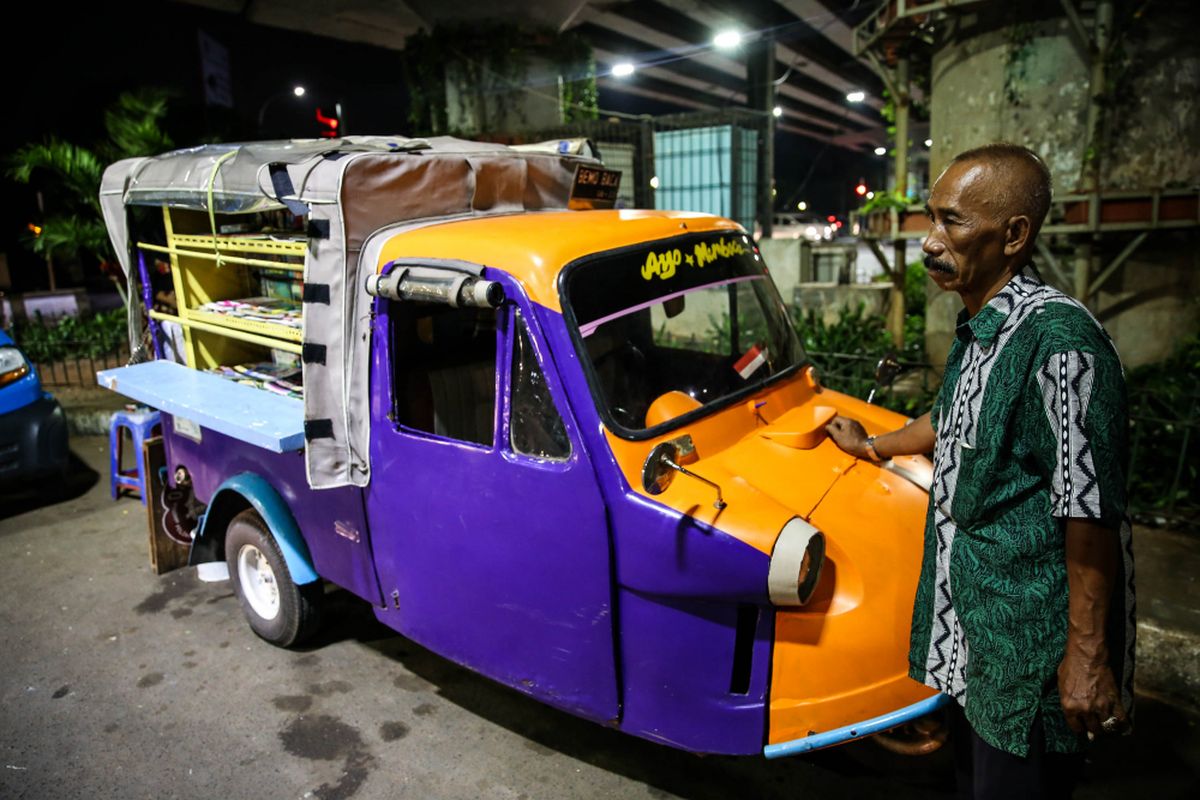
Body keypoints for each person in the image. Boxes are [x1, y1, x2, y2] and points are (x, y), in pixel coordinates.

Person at [825, 143, 1134, 798]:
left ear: (1014, 235)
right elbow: (949, 422)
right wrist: (871, 446)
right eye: (931, 220)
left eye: (953, 222)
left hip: (1030, 654)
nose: (931, 243)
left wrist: (1086, 657)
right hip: (977, 637)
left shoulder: (1060, 348)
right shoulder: (982, 326)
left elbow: (1089, 515)